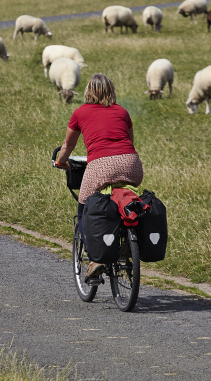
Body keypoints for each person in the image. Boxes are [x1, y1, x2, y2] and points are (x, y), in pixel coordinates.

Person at [54, 73, 143, 283]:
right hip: (131, 163)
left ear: (87, 91)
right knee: (124, 201)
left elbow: (68, 146)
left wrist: (60, 162)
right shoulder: (122, 111)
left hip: (101, 165)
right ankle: (129, 242)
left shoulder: (80, 112)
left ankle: (96, 259)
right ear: (111, 90)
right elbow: (129, 141)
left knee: (84, 207)